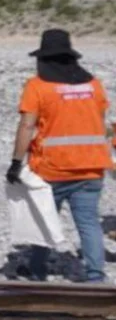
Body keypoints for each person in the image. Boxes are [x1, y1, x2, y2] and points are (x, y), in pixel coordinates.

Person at [7, 29, 111, 283]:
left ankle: (38, 270)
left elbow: (27, 126)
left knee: (42, 219)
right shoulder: (93, 85)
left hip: (52, 168)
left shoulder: (38, 86)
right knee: (88, 223)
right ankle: (96, 275)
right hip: (91, 166)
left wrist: (16, 163)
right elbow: (100, 121)